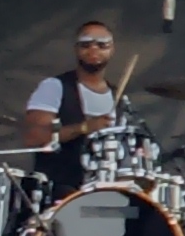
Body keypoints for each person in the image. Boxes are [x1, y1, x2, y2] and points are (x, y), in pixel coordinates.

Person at [21, 20, 127, 195]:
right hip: (59, 191)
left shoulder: (119, 97)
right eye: (86, 44)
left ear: (112, 49)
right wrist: (83, 128)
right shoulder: (54, 86)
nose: (93, 50)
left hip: (105, 192)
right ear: (76, 49)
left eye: (102, 45)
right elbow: (33, 137)